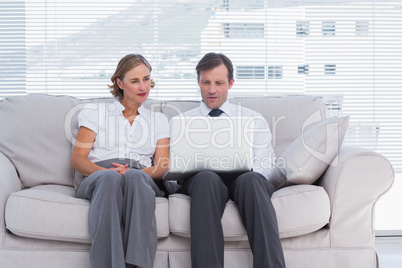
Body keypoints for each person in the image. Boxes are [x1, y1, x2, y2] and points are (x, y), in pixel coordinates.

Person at [165, 52, 286, 268]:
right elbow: (168, 175)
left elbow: (266, 165)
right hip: (201, 182)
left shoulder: (252, 119)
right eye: (206, 82)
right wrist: (179, 179)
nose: (212, 90)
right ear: (198, 82)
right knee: (206, 178)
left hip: (244, 180)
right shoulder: (181, 122)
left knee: (251, 180)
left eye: (219, 83)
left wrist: (245, 168)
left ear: (230, 83)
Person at [71, 54, 170, 268]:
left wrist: (135, 174)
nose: (143, 86)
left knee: (135, 177)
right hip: (99, 175)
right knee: (109, 179)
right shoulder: (96, 113)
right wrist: (106, 172)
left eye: (146, 79)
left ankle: (138, 264)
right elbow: (78, 159)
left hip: (140, 175)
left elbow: (162, 166)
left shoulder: (158, 120)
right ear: (120, 82)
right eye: (135, 81)